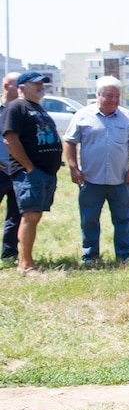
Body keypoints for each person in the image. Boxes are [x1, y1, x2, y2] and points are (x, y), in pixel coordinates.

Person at [62, 77, 129, 266]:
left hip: (120, 179)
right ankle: (90, 256)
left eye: (117, 96)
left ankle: (124, 255)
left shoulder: (127, 117)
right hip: (91, 180)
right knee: (89, 219)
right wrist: (74, 168)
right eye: (109, 96)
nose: (114, 101)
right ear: (98, 95)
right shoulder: (83, 115)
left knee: (123, 218)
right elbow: (70, 141)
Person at [1, 71, 63, 276]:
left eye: (42, 84)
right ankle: (25, 264)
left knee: (34, 216)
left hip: (44, 173)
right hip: (29, 173)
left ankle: (27, 260)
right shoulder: (16, 107)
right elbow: (10, 139)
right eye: (35, 84)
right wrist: (29, 167)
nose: (41, 87)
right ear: (21, 87)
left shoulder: (36, 108)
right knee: (30, 215)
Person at [0, 71, 23, 265]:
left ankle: (9, 254)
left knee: (16, 215)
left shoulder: (22, 110)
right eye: (19, 85)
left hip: (16, 171)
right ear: (7, 87)